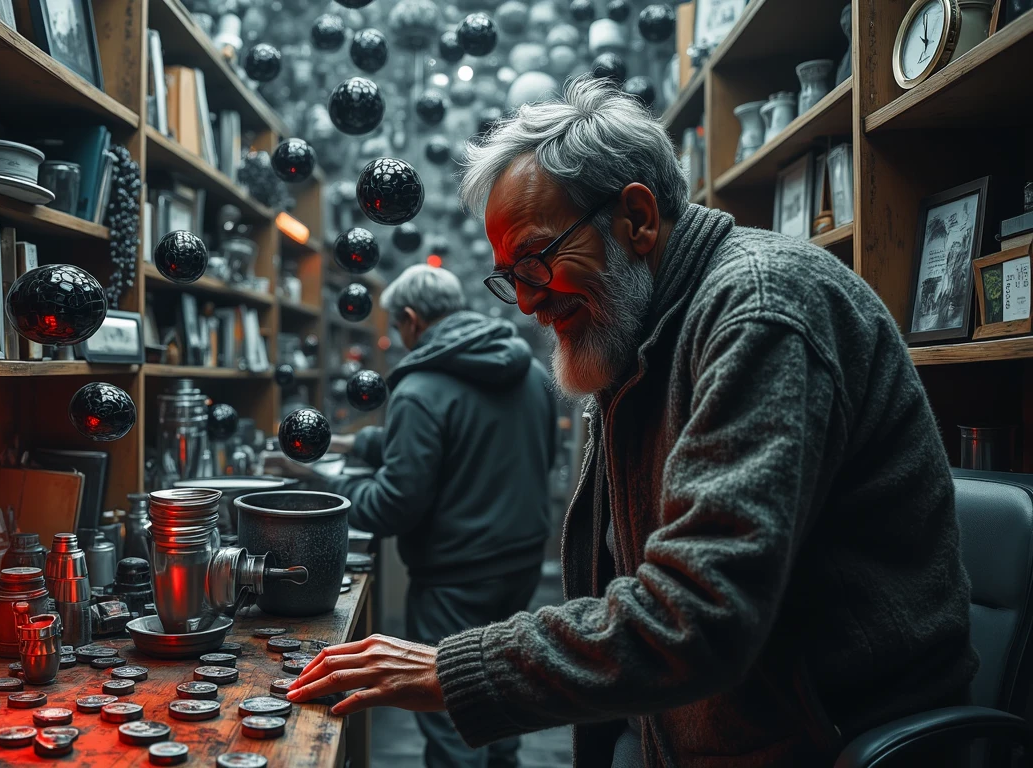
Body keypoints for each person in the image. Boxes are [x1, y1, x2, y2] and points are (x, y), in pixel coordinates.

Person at [285, 78, 977, 767]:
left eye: (535, 260)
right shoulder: (643, 330)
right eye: (510, 276)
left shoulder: (761, 310)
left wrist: (453, 670)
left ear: (638, 219)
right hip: (706, 728)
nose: (526, 302)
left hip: (825, 741)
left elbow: (699, 616)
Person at [269, 264, 558, 768]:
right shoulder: (530, 372)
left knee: (450, 713)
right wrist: (357, 443)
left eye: (396, 327)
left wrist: (325, 480)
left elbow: (389, 507)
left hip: (455, 578)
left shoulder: (420, 387)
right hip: (520, 562)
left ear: (410, 318)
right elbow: (472, 438)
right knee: (500, 693)